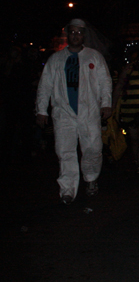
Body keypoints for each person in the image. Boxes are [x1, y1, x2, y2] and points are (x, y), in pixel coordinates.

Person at [36, 19, 113, 204]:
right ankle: (67, 189)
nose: (76, 35)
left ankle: (91, 178)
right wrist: (41, 110)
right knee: (65, 151)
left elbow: (105, 81)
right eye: (72, 32)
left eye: (79, 32)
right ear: (68, 34)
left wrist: (106, 103)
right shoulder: (56, 59)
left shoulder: (94, 57)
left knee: (93, 148)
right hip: (63, 113)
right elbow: (44, 86)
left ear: (84, 35)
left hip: (89, 112)